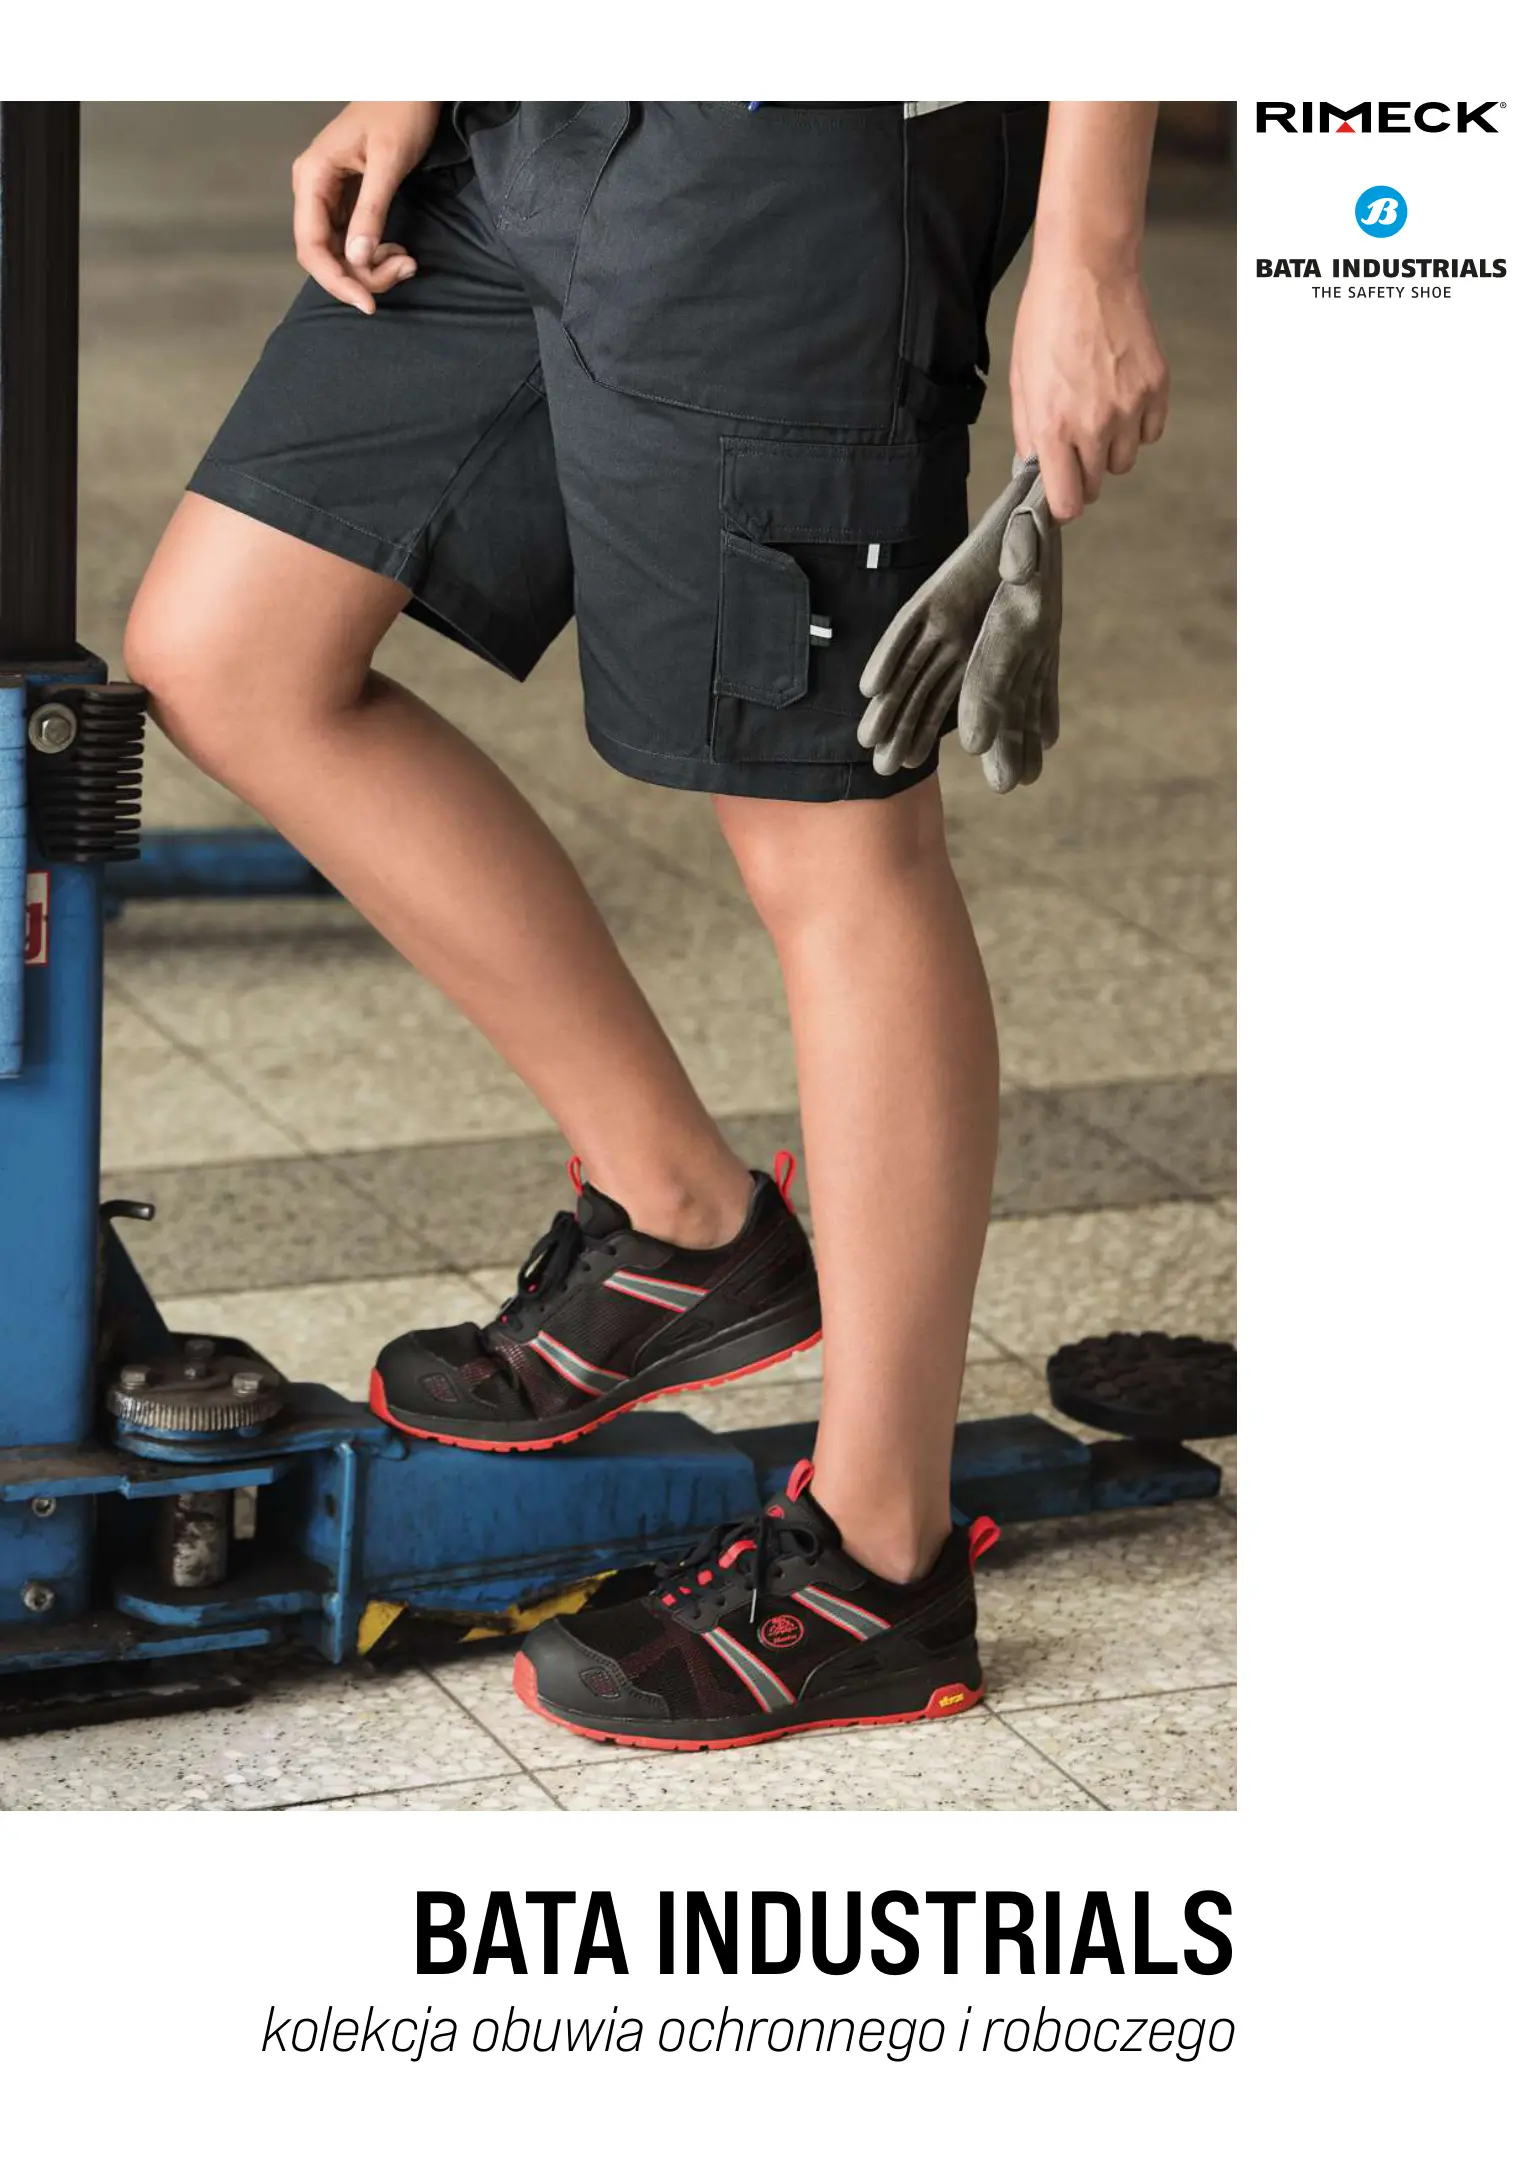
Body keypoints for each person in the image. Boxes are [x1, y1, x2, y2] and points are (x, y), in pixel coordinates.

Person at [125, 100, 1168, 1751]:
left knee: (829, 838)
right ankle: (680, 1225)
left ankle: (881, 1559)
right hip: (528, 119)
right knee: (228, 651)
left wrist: (1089, 247)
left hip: (801, 164)